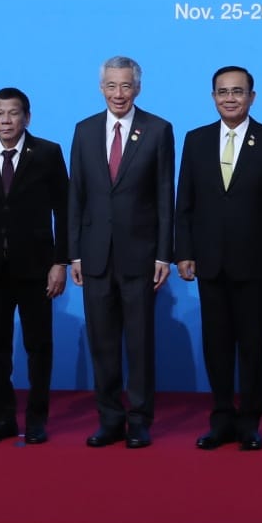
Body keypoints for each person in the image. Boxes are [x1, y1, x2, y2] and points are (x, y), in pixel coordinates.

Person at [175, 66, 262, 451]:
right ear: (213, 97)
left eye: (237, 91)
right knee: (217, 345)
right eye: (222, 92)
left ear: (252, 97)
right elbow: (185, 202)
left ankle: (250, 422)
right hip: (209, 261)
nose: (230, 98)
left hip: (255, 263)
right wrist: (184, 253)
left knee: (252, 346)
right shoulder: (196, 140)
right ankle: (221, 418)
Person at [68, 56, 174, 448]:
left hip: (140, 256)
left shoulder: (158, 130)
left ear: (138, 88)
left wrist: (164, 254)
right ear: (101, 88)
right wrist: (74, 253)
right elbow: (75, 194)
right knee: (103, 342)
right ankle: (109, 419)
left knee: (139, 343)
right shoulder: (84, 130)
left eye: (126, 86)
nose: (118, 94)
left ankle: (140, 420)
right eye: (111, 86)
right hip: (95, 256)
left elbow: (166, 196)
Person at [0, 87, 69, 446]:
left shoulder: (48, 153)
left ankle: (36, 420)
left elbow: (64, 211)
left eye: (13, 113)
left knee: (39, 347)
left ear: (27, 117)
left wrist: (60, 262)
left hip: (37, 268)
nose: (6, 120)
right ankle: (3, 418)